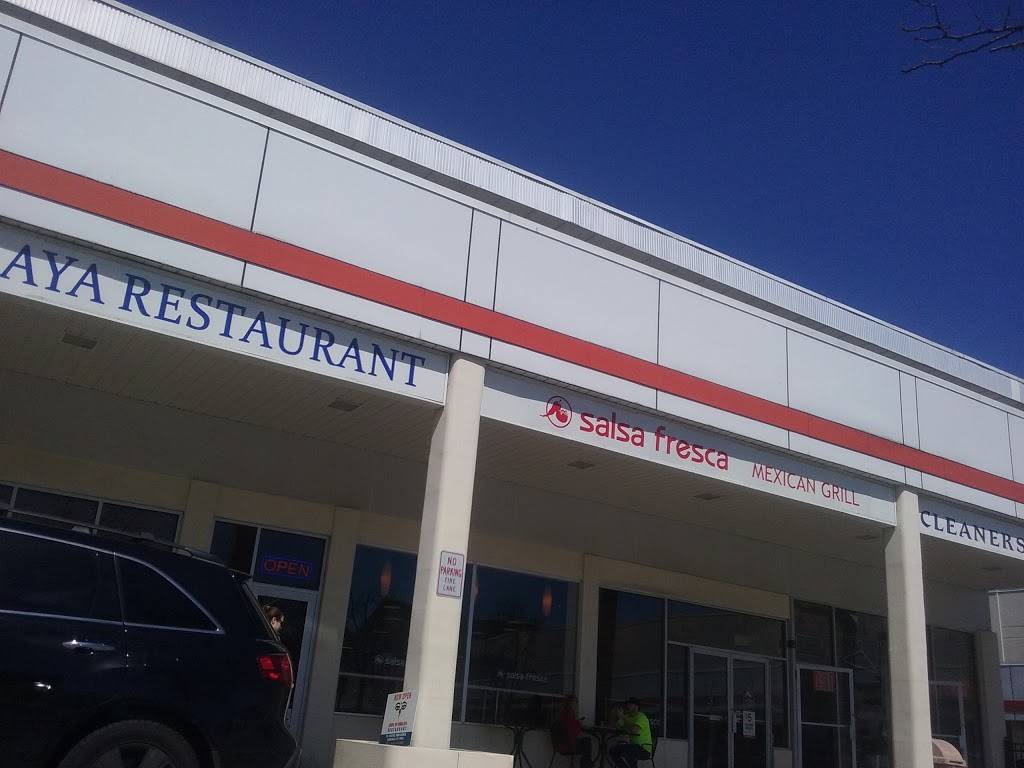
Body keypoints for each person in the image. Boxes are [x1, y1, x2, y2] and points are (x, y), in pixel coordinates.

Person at [609, 698, 652, 768]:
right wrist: (613, 715)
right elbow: (616, 727)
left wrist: (623, 717)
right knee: (613, 750)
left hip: (643, 748)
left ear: (636, 706)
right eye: (627, 704)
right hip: (633, 745)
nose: (628, 706)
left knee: (628, 751)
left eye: (630, 704)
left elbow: (634, 730)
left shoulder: (641, 717)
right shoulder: (627, 716)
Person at [555, 695, 593, 768]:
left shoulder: (563, 714)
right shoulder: (569, 715)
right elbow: (574, 732)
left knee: (586, 743)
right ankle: (587, 765)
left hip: (561, 744)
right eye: (575, 703)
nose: (576, 705)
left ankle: (587, 765)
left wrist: (576, 722)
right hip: (568, 745)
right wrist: (578, 724)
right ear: (571, 704)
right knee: (587, 743)